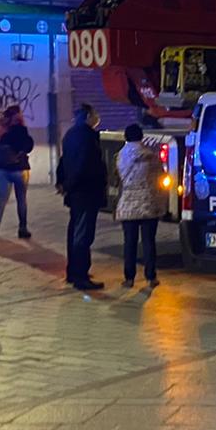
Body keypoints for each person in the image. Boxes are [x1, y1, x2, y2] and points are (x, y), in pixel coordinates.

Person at [59, 104, 108, 294]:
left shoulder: (70, 135)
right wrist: (70, 184)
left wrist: (63, 183)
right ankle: (80, 275)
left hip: (76, 193)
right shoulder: (87, 136)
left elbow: (64, 161)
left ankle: (73, 271)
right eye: (95, 114)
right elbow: (84, 165)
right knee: (83, 234)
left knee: (75, 231)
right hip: (86, 192)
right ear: (88, 116)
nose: (97, 117)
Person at [116, 123, 164, 291]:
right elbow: (160, 177)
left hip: (128, 205)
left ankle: (129, 278)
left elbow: (121, 177)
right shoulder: (151, 156)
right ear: (141, 136)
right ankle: (151, 276)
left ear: (126, 137)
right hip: (148, 205)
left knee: (129, 243)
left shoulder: (121, 156)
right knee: (149, 242)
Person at [0, 105, 35, 241]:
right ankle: (23, 228)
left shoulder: (1, 129)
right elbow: (28, 146)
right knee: (21, 200)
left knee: (1, 200)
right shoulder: (21, 129)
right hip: (19, 168)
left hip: (2, 168)